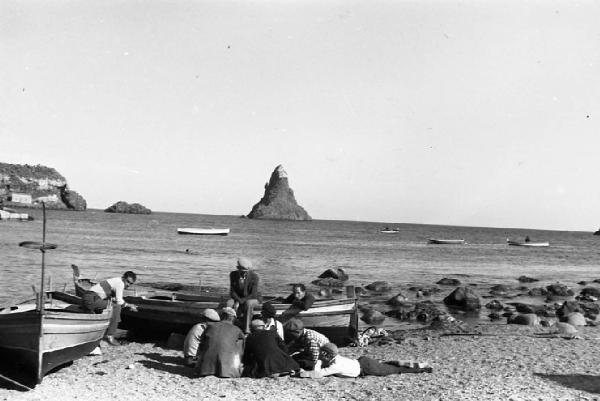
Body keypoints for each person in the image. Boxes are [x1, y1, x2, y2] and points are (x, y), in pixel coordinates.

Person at [300, 343, 433, 378]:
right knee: (388, 365)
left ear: (328, 355)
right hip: (363, 362)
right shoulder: (336, 359)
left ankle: (421, 369)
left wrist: (314, 365)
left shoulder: (336, 365)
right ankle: (418, 364)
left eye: (322, 353)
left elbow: (318, 374)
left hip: (366, 367)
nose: (320, 355)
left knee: (395, 370)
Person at [81, 271, 139, 346]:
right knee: (116, 307)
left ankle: (102, 331)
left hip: (87, 298)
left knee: (111, 305)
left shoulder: (116, 280)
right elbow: (119, 301)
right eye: (128, 281)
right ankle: (110, 335)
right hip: (91, 299)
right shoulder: (120, 283)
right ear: (123, 278)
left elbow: (112, 297)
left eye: (131, 283)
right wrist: (130, 305)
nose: (128, 285)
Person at [195, 306, 245, 378]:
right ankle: (231, 370)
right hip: (227, 373)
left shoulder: (211, 327)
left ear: (221, 316)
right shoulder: (237, 330)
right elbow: (240, 351)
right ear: (233, 318)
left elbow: (201, 346)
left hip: (205, 370)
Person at [227, 257, 260, 334]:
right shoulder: (233, 275)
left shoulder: (255, 277)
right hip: (238, 298)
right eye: (241, 271)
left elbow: (253, 294)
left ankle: (246, 328)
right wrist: (238, 300)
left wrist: (241, 301)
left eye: (245, 271)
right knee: (229, 303)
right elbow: (232, 291)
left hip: (253, 298)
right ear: (238, 268)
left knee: (248, 304)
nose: (243, 273)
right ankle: (229, 325)